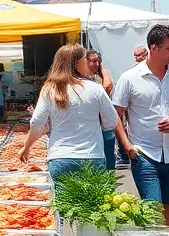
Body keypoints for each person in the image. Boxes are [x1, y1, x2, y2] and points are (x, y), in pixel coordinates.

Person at [113, 25, 169, 226]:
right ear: (154, 48)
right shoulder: (130, 77)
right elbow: (116, 114)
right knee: (152, 208)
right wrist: (127, 147)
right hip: (144, 153)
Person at [22, 45, 118, 183]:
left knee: (64, 203)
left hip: (61, 157)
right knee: (93, 202)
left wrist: (27, 147)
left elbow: (37, 123)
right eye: (85, 58)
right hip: (92, 155)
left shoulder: (50, 89)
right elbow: (112, 121)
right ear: (77, 63)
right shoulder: (95, 89)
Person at [86, 50, 116, 169]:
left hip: (104, 124)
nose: (97, 64)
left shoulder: (97, 77)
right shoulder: (85, 79)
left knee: (108, 155)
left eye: (98, 61)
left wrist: (102, 71)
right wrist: (104, 70)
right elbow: (107, 87)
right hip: (94, 125)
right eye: (93, 61)